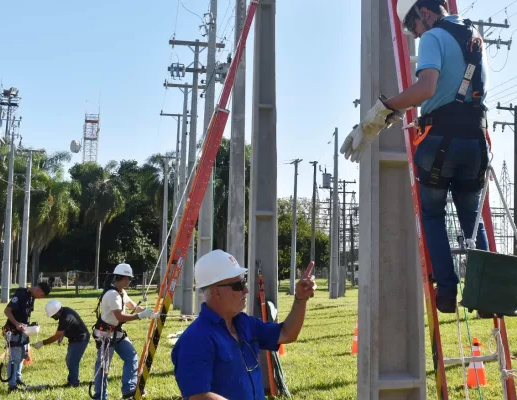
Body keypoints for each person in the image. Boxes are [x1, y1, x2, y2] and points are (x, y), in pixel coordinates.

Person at [340, 0, 490, 313]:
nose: (415, 34)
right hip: (476, 143)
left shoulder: (434, 37)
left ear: (424, 12)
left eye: (413, 26)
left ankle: (447, 293)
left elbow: (426, 88)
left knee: (433, 214)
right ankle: (485, 293)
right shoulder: (473, 34)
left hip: (441, 141)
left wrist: (383, 109)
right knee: (471, 220)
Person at [171, 250, 316, 400]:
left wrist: (300, 299)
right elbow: (199, 396)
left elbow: (287, 334)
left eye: (244, 282)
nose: (246, 290)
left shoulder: (246, 323)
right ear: (215, 292)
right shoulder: (195, 339)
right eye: (238, 285)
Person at [92, 263, 159, 400]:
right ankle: (100, 396)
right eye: (128, 278)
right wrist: (140, 316)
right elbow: (120, 317)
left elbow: (132, 306)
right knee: (103, 368)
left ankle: (129, 389)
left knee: (131, 356)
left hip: (116, 333)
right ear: (120, 278)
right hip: (106, 335)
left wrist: (150, 313)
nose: (129, 281)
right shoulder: (112, 295)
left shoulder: (122, 292)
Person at [2, 281, 51, 392]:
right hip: (13, 330)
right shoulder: (21, 294)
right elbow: (7, 311)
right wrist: (16, 323)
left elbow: (25, 314)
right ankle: (12, 386)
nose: (41, 298)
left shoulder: (31, 297)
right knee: (14, 359)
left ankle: (18, 379)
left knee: (21, 357)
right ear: (38, 290)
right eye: (42, 295)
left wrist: (29, 327)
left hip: (23, 331)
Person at [32, 300, 90, 387]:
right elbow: (68, 326)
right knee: (70, 360)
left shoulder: (65, 317)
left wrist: (42, 343)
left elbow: (56, 336)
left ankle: (73, 383)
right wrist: (62, 335)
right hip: (75, 338)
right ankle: (71, 381)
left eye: (53, 315)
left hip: (80, 339)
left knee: (72, 361)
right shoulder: (65, 311)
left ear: (57, 312)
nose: (52, 317)